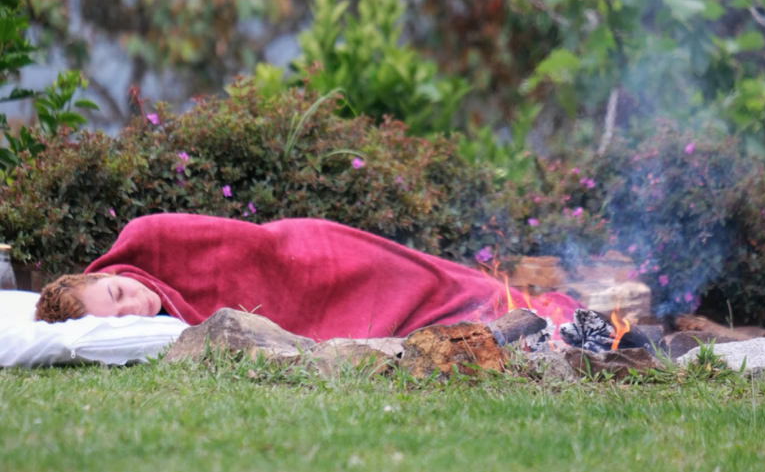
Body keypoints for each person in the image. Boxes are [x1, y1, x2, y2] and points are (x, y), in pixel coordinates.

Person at [35, 213, 581, 340]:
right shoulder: (166, 331)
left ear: (106, 272)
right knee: (421, 314)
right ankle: (528, 321)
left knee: (436, 282)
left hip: (310, 255)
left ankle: (545, 313)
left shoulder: (146, 237)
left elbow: (250, 245)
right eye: (120, 316)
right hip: (310, 310)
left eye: (118, 292)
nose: (134, 306)